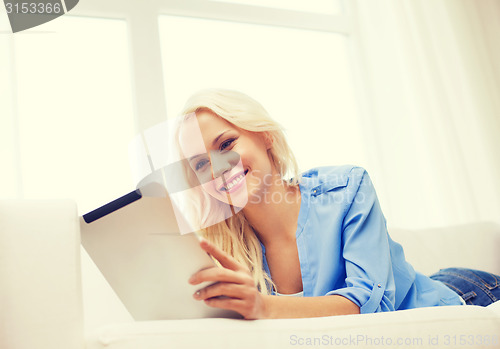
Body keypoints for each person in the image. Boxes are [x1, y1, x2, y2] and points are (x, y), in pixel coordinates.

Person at [174, 88, 500, 320]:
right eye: (201, 165)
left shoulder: (348, 187)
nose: (218, 168)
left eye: (227, 143)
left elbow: (372, 306)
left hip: (465, 293)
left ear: (265, 136)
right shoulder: (222, 250)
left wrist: (264, 307)